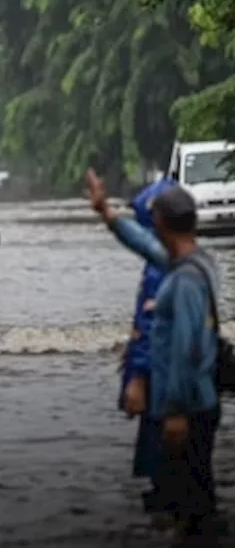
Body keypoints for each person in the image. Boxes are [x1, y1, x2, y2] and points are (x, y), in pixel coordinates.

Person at [86, 168, 226, 538]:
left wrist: (175, 411)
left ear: (160, 222)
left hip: (189, 407)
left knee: (191, 506)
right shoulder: (197, 262)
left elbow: (186, 350)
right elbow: (147, 247)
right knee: (188, 500)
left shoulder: (183, 282)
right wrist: (108, 215)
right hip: (198, 402)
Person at [121, 178, 174, 518]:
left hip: (163, 384)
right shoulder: (176, 256)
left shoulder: (161, 265)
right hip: (173, 384)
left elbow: (153, 328)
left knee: (167, 466)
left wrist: (137, 375)